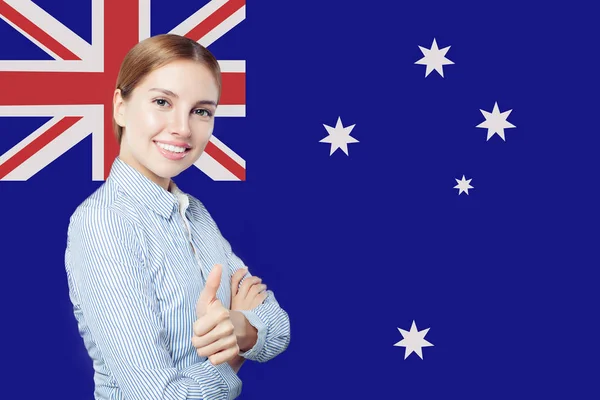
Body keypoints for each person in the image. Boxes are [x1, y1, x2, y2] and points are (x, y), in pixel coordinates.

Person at [63, 34, 291, 400]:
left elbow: (279, 328)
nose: (183, 128)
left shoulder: (195, 213)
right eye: (162, 102)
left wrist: (238, 326)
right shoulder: (104, 223)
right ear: (120, 106)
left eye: (201, 111)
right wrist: (231, 358)